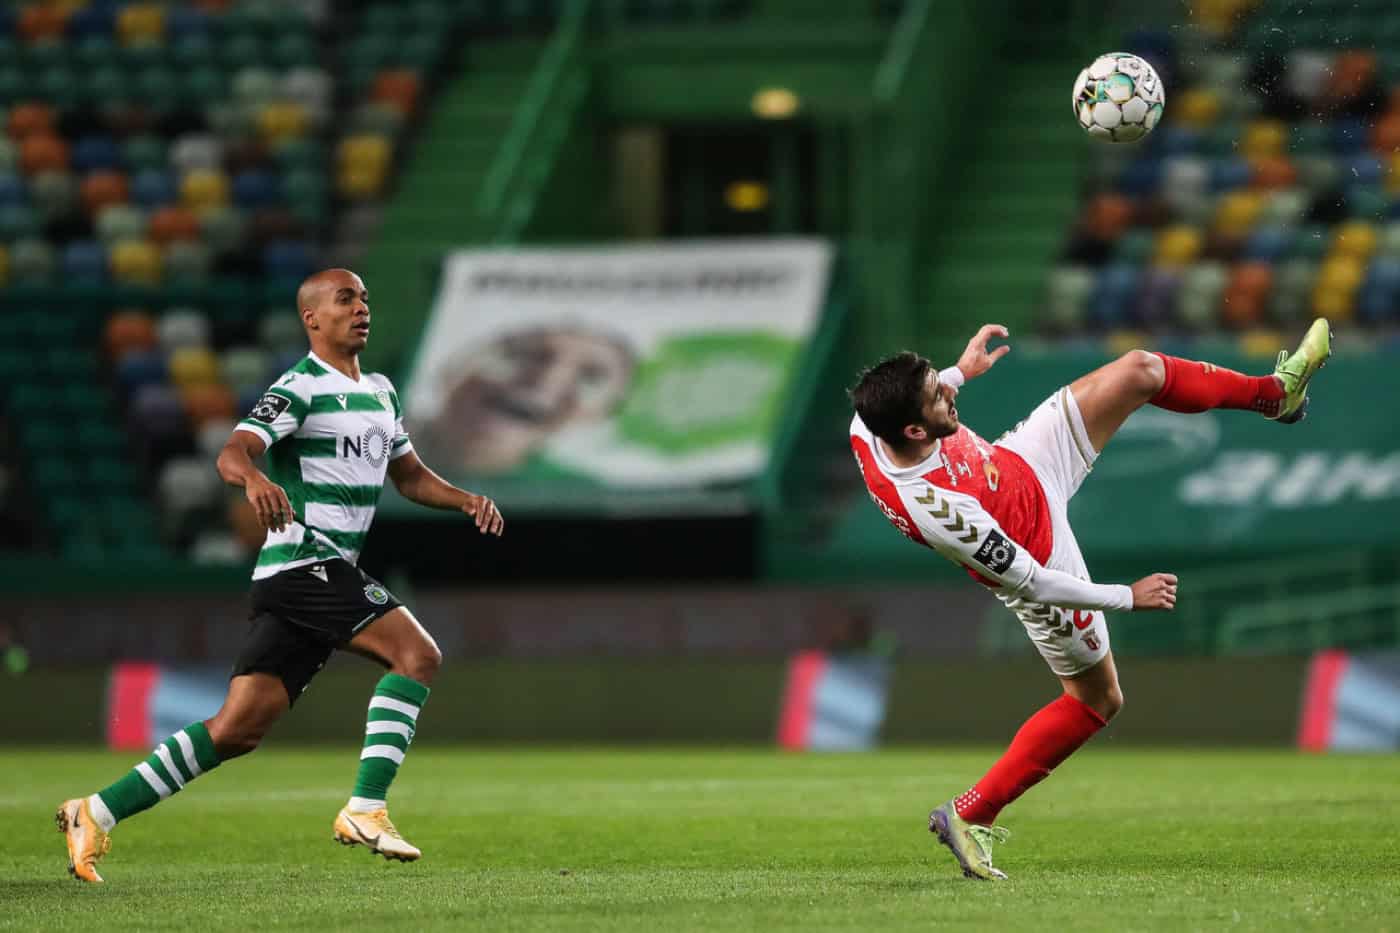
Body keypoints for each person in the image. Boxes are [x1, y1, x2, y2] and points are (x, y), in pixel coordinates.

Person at [57, 268, 505, 883]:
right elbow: (232, 451)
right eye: (346, 299)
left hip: (315, 574)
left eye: (366, 299)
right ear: (312, 318)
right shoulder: (298, 386)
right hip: (305, 563)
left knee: (237, 730)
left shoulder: (380, 391)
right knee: (417, 655)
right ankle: (367, 808)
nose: (361, 308)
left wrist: (464, 500)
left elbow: (409, 477)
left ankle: (95, 811)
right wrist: (257, 478)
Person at [847, 318, 1332, 880]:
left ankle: (1274, 395)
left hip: (1021, 465)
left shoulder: (870, 420)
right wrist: (1124, 596)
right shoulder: (937, 511)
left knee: (1139, 370)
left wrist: (959, 370)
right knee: (1097, 700)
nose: (948, 393)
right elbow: (1031, 580)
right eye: (937, 396)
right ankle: (971, 813)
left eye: (938, 382)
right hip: (1041, 558)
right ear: (911, 432)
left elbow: (930, 394)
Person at [420, 326, 635, 475]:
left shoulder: (578, 496)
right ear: (455, 362)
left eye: (590, 376)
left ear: (600, 413)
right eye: (529, 354)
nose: (546, 381)